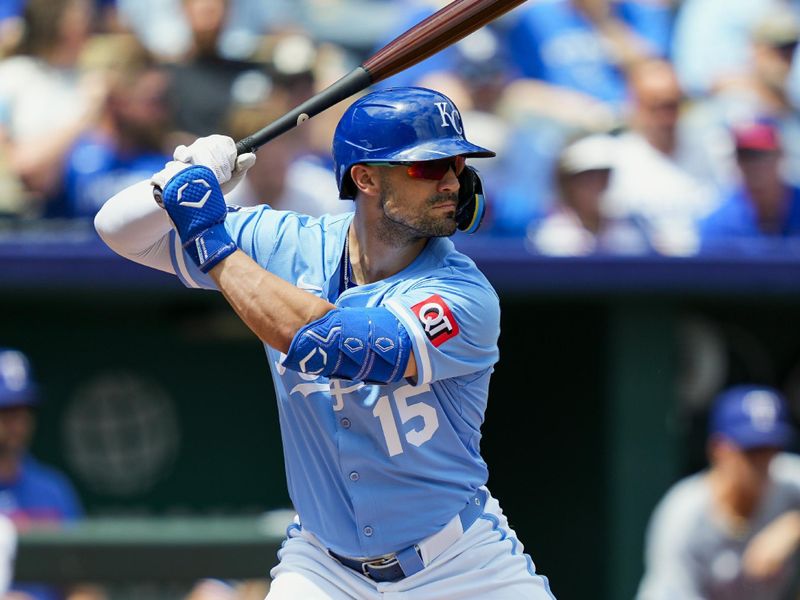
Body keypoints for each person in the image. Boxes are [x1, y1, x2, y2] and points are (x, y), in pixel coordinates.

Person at [94, 86, 556, 599]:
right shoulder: (289, 243)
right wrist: (174, 182)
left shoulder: (463, 293)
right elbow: (118, 230)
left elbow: (324, 343)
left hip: (459, 566)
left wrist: (214, 243)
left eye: (457, 164)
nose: (452, 181)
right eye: (429, 167)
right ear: (365, 178)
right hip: (323, 567)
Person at [637, 384, 800, 600]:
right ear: (718, 450)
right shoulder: (684, 514)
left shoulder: (786, 479)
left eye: (770, 449)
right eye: (751, 451)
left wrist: (794, 525)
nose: (762, 462)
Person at [0, 347, 86, 600]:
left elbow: (83, 586)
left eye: (24, 411)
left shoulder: (52, 489)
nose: (17, 423)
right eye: (6, 412)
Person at [528, 133, 650, 256]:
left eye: (603, 177)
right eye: (588, 179)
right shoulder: (554, 236)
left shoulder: (626, 233)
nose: (597, 186)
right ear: (568, 184)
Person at [699, 118, 800, 251]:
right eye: (745, 155)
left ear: (780, 155)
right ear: (737, 161)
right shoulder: (718, 225)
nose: (754, 165)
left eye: (761, 155)